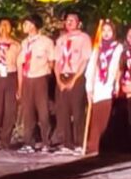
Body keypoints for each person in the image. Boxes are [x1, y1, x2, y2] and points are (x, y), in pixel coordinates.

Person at [53, 11, 93, 154]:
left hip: (77, 75)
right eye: (67, 20)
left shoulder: (84, 38)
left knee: (77, 111)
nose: (69, 23)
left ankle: (79, 143)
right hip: (62, 75)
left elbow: (84, 60)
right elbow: (57, 61)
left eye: (72, 20)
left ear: (79, 23)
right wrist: (59, 80)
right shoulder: (61, 40)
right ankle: (66, 143)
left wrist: (74, 79)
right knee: (62, 111)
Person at [17, 14, 55, 153]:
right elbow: (21, 63)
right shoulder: (24, 43)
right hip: (27, 78)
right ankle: (28, 143)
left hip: (40, 78)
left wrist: (46, 75)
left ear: (33, 25)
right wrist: (20, 86)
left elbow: (51, 61)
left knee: (43, 112)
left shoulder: (46, 42)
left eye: (26, 24)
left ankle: (46, 142)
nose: (24, 26)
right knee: (28, 112)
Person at [84, 20, 123, 155]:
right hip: (97, 85)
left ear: (113, 32)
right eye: (104, 31)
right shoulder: (97, 48)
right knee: (95, 117)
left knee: (106, 118)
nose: (106, 33)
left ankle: (104, 146)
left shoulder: (118, 48)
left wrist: (116, 83)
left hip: (109, 85)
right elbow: (90, 69)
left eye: (109, 31)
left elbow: (118, 67)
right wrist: (89, 88)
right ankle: (93, 146)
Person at [0, 18, 21, 151]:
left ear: (11, 28)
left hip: (11, 76)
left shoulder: (16, 45)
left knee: (10, 110)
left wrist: (19, 85)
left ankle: (5, 140)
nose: (4, 27)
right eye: (2, 24)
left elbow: (19, 64)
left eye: (7, 25)